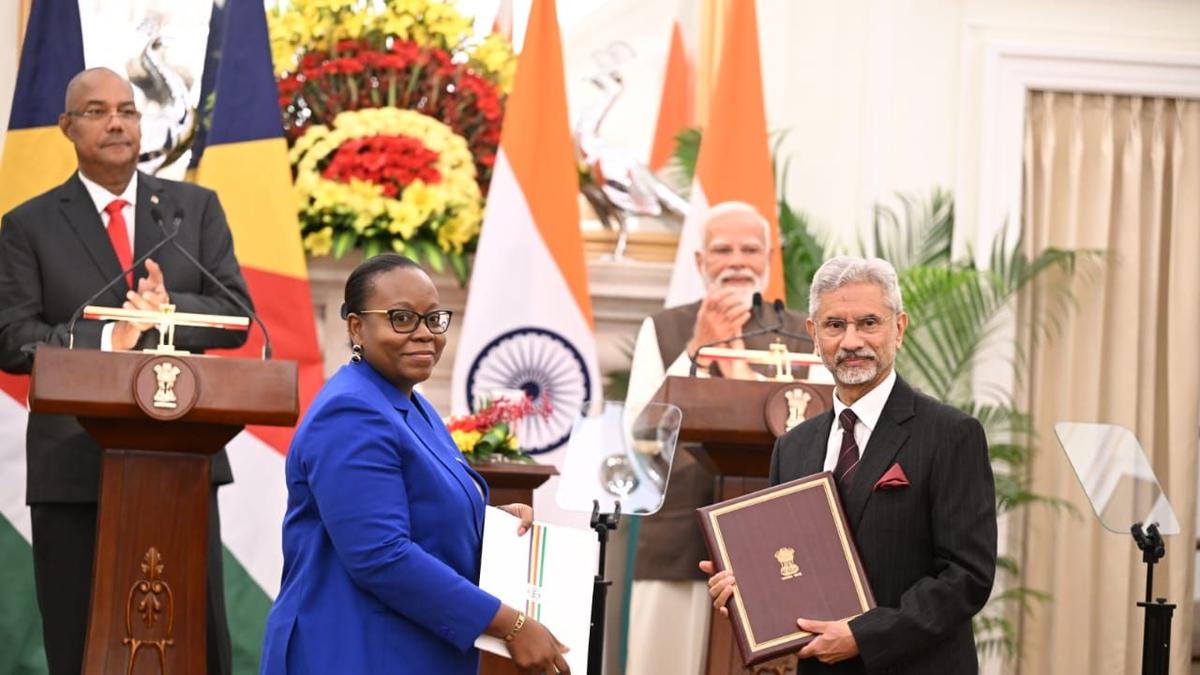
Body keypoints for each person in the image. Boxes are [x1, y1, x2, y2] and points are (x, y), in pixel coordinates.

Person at [0, 67, 251, 675]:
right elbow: (12, 339)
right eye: (97, 111)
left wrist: (167, 312)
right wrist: (112, 336)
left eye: (127, 111)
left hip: (179, 455)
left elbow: (236, 317)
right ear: (67, 126)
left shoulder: (192, 211)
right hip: (72, 467)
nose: (116, 123)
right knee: (81, 641)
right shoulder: (28, 225)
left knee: (192, 640)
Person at [260, 254, 570, 674]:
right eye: (401, 318)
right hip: (352, 652)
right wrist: (511, 626)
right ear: (356, 328)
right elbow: (381, 555)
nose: (425, 334)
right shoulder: (351, 412)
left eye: (433, 319)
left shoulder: (407, 402)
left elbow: (411, 507)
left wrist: (488, 522)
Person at [702, 256, 997, 674]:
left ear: (899, 328)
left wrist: (864, 635)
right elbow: (788, 565)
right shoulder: (792, 447)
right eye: (835, 325)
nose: (851, 341)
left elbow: (967, 577)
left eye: (869, 323)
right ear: (813, 334)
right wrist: (745, 591)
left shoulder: (951, 434)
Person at [624, 202, 813, 675]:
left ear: (769, 258)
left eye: (749, 250)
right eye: (723, 250)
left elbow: (818, 429)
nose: (737, 262)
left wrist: (740, 367)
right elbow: (640, 432)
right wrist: (698, 348)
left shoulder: (803, 333)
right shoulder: (664, 328)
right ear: (700, 261)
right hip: (678, 534)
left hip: (775, 535)